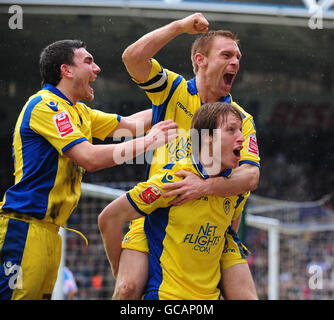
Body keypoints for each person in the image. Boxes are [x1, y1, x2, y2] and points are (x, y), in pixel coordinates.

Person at [0, 39, 178, 300]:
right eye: (88, 61)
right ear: (66, 70)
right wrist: (149, 141)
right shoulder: (46, 106)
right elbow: (89, 158)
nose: (97, 69)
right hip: (25, 227)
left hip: (50, 231)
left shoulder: (79, 111)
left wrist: (180, 101)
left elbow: (130, 124)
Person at [114, 12, 260, 300]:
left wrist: (204, 186)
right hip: (158, 211)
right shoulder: (172, 90)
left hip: (213, 222)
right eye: (227, 55)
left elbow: (251, 174)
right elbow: (132, 59)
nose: (235, 62)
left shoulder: (241, 118)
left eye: (238, 58)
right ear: (200, 60)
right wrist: (179, 27)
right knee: (127, 288)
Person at [99, 102, 249, 299]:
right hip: (166, 297)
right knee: (126, 288)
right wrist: (118, 268)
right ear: (207, 138)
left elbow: (229, 230)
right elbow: (109, 217)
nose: (241, 138)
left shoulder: (237, 190)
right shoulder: (174, 180)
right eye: (231, 130)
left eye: (240, 130)